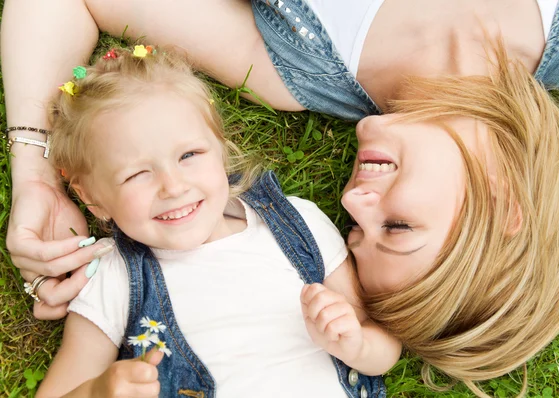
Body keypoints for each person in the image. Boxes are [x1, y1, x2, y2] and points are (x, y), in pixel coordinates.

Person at [1, 0, 559, 395]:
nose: (355, 202)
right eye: (399, 226)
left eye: (357, 233)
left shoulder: (295, 68)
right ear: (505, 200)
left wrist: (35, 173)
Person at [34, 46, 400, 398]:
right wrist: (98, 391)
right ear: (93, 198)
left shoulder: (297, 222)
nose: (173, 186)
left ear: (221, 148)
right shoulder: (115, 280)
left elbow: (383, 346)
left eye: (189, 154)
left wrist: (356, 344)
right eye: (137, 174)